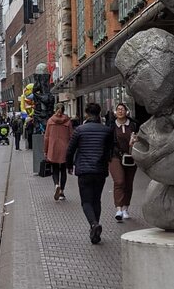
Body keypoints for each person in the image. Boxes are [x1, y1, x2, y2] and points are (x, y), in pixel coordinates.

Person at [66, 103, 115, 245]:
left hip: (84, 170)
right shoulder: (106, 131)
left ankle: (94, 225)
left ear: (87, 114)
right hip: (100, 170)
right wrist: (106, 161)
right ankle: (95, 233)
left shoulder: (80, 130)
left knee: (86, 201)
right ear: (99, 113)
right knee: (96, 200)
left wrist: (69, 165)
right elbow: (110, 149)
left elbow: (70, 150)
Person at [110, 102, 138, 221]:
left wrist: (135, 141)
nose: (120, 111)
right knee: (119, 181)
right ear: (115, 112)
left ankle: (126, 208)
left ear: (126, 112)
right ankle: (119, 209)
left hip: (131, 157)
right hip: (115, 157)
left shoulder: (133, 125)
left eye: (122, 109)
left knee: (128, 183)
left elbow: (140, 140)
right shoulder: (111, 126)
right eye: (118, 109)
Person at [44, 104, 73, 201]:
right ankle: (62, 192)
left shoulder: (50, 121)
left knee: (55, 169)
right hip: (65, 148)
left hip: (53, 148)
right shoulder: (68, 121)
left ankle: (57, 184)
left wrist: (45, 150)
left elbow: (46, 137)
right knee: (63, 170)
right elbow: (71, 136)